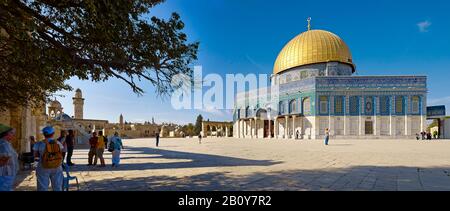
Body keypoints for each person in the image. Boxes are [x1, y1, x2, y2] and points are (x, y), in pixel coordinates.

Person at [33, 126, 64, 191]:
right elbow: (60, 154)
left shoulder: (38, 144)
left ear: (44, 134)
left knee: (42, 187)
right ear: (53, 134)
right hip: (57, 166)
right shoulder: (58, 143)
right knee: (57, 186)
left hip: (43, 166)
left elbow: (35, 156)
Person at [0, 124, 18, 191]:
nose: (13, 135)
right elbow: (3, 160)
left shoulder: (6, 143)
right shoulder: (3, 145)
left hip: (8, 175)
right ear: (6, 134)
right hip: (4, 175)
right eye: (11, 133)